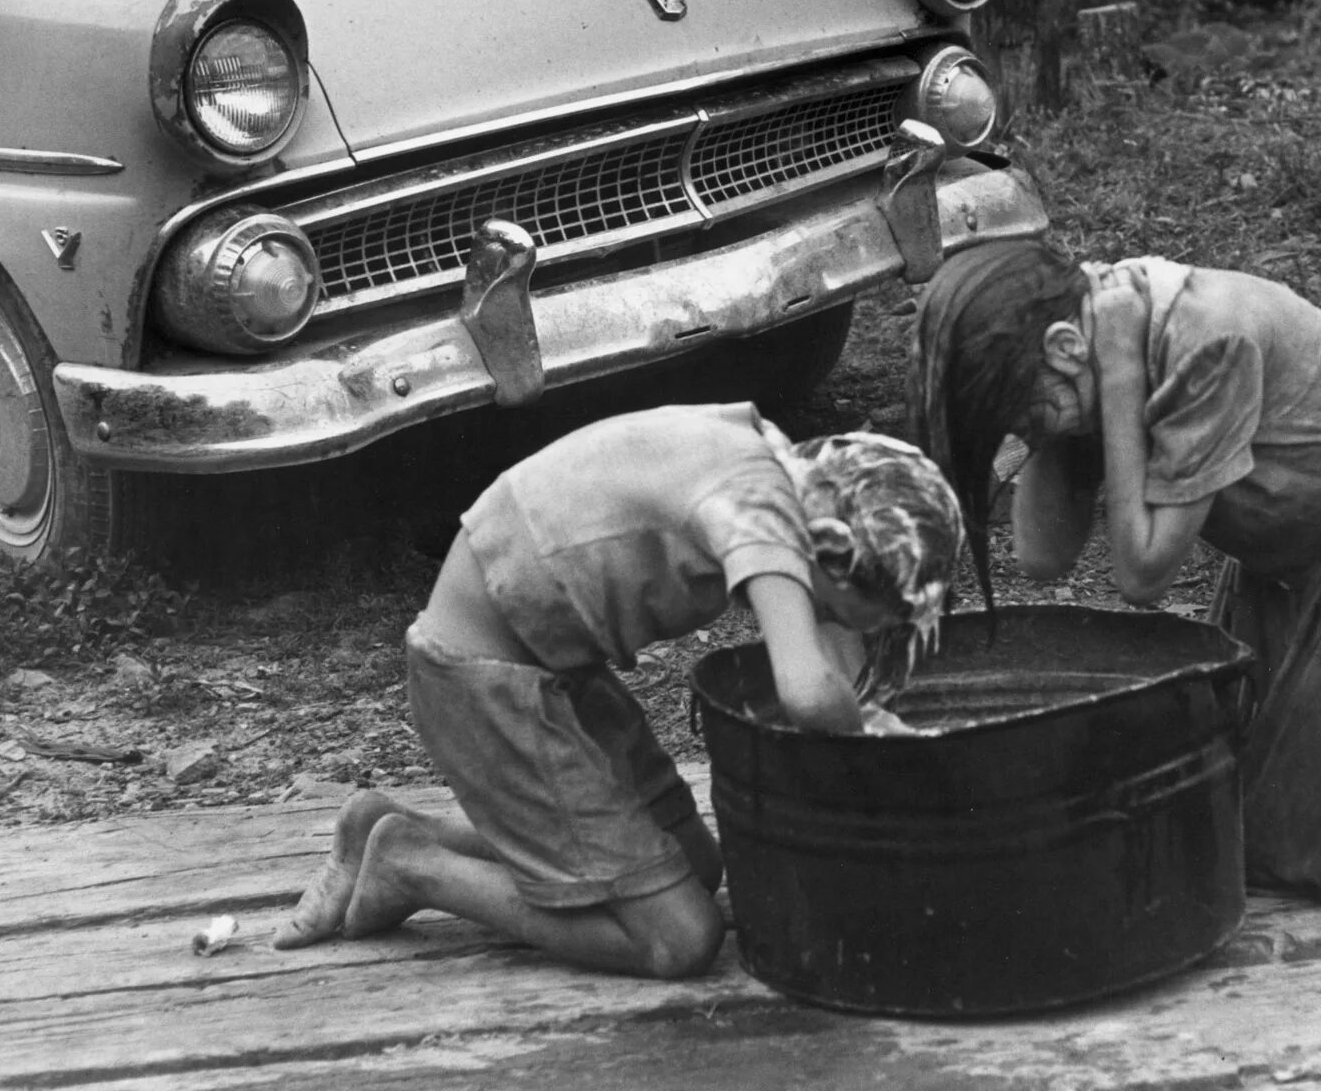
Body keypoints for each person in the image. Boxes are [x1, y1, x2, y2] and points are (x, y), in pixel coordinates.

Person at [909, 241, 1321, 908]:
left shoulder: (1207, 340)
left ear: (1069, 345)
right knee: (1227, 798)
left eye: (1029, 413)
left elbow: (1144, 572)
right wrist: (1049, 424)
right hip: (1290, 554)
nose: (1029, 430)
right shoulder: (1089, 341)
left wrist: (1122, 379)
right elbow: (1043, 556)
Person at [273, 402, 963, 977]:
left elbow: (823, 636)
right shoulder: (762, 513)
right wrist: (887, 739)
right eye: (865, 618)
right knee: (681, 938)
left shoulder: (781, 465)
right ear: (836, 548)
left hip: (549, 658)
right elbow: (809, 691)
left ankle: (388, 825)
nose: (856, 632)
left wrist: (846, 643)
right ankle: (412, 865)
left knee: (696, 863)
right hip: (488, 679)